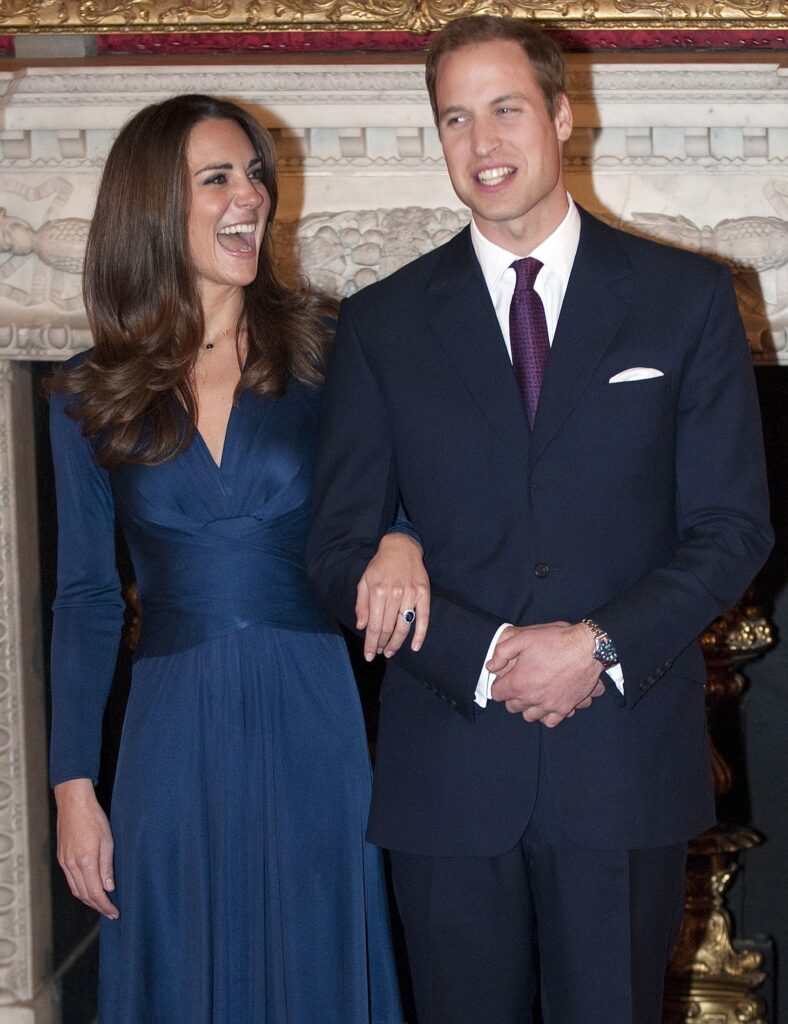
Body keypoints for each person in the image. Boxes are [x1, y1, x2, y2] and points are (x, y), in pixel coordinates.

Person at [306, 16, 774, 1024]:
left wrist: (595, 646)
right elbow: (335, 547)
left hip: (619, 760)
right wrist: (486, 654)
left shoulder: (685, 301)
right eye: (454, 119)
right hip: (446, 768)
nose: (481, 145)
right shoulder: (380, 324)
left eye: (505, 109)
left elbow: (731, 528)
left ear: (562, 116)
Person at [48, 93, 427, 1023]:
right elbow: (89, 598)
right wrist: (71, 790)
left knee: (318, 958)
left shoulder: (332, 348)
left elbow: (410, 485)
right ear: (151, 208)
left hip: (314, 710)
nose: (248, 194)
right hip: (170, 733)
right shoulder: (87, 393)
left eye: (253, 173)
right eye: (217, 177)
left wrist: (404, 537)